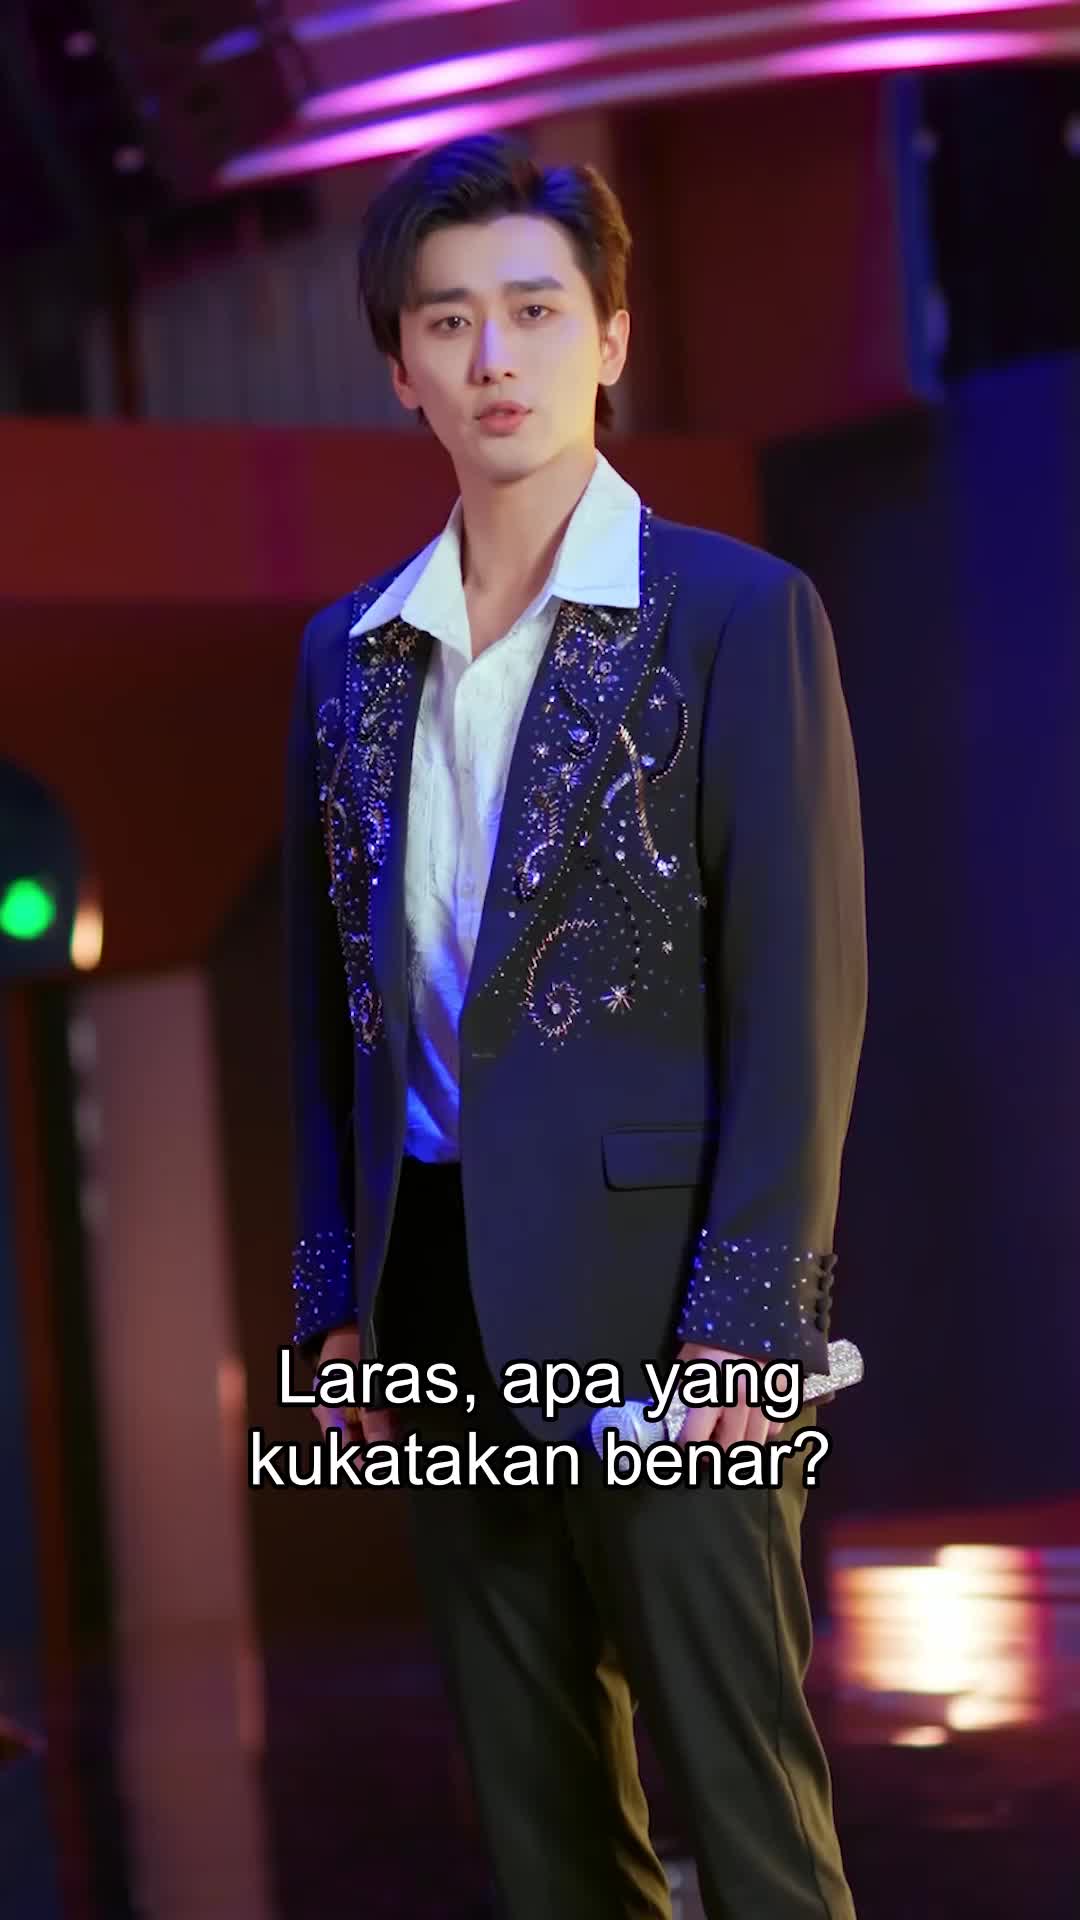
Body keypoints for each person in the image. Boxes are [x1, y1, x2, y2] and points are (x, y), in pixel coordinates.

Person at [283, 131, 867, 1919]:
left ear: (612, 337)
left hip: (670, 1303)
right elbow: (330, 1014)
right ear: (400, 366)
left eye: (536, 312)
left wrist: (750, 1333)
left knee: (751, 1823)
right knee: (544, 1838)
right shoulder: (349, 655)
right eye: (447, 320)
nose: (495, 359)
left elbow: (801, 995)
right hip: (442, 1299)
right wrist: (338, 1301)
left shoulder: (734, 615)